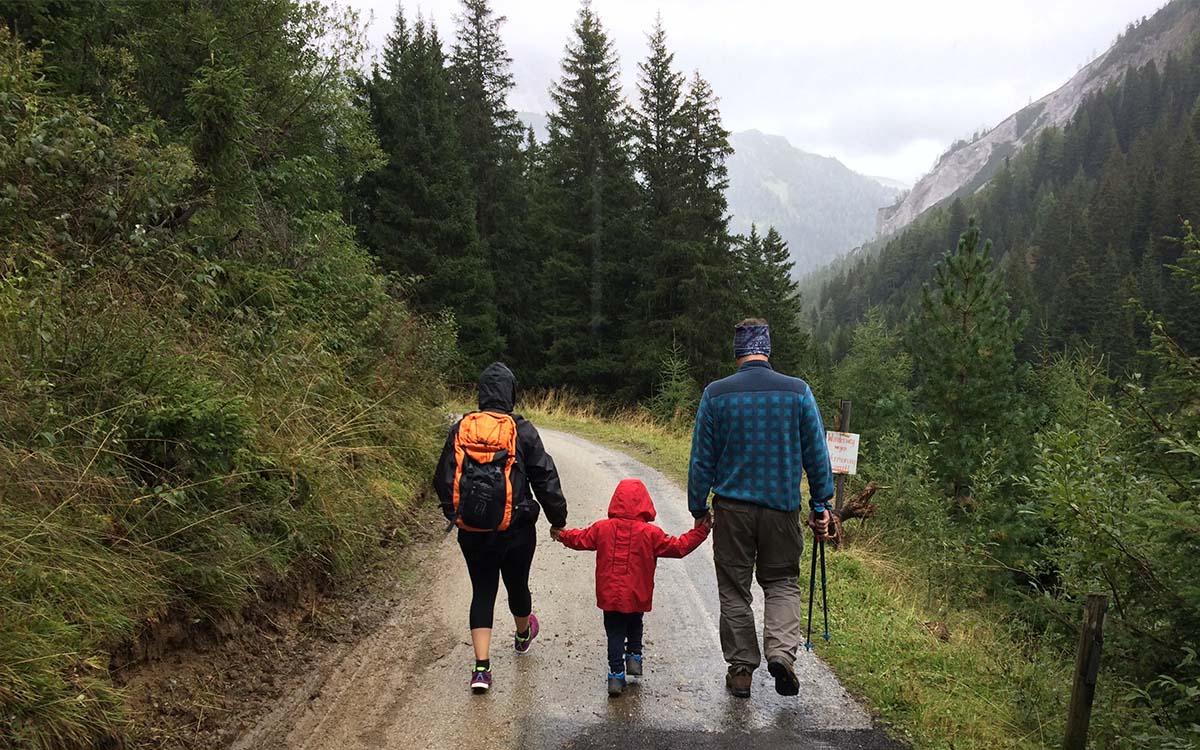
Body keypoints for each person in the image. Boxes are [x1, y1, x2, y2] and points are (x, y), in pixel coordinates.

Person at [687, 318, 835, 700]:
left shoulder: (715, 395)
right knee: (782, 581)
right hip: (782, 509)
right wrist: (822, 504)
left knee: (734, 589)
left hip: (733, 511)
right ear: (767, 348)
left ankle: (740, 672)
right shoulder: (798, 392)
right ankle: (781, 656)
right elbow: (817, 456)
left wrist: (697, 506)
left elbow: (701, 460)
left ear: (737, 351)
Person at [433, 362, 568, 693]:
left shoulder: (461, 428)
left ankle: (481, 669)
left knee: (482, 591)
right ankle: (523, 634)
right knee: (517, 585)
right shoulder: (522, 430)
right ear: (511, 393)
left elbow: (442, 478)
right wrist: (558, 520)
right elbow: (545, 477)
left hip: (473, 531)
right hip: (516, 529)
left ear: (481, 394)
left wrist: (458, 514)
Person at [556, 478, 710, 697]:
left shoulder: (603, 528)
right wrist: (701, 531)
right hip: (637, 593)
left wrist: (562, 535)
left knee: (615, 632)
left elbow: (580, 539)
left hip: (610, 594)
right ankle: (635, 657)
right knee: (635, 621)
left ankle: (616, 675)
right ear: (645, 503)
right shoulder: (651, 533)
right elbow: (679, 547)